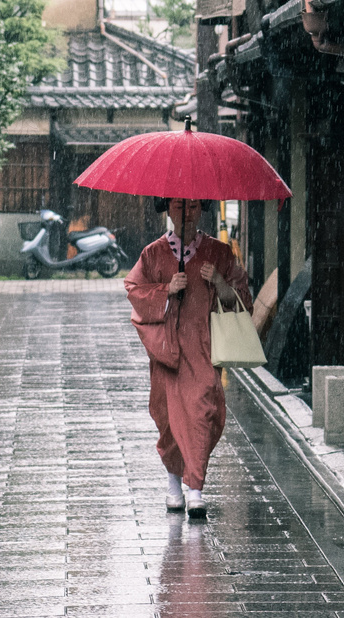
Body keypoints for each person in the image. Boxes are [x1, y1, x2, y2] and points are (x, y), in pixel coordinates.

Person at [124, 197, 252, 518]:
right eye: (179, 206)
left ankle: (195, 487)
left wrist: (220, 283)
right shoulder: (153, 254)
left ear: (202, 208)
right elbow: (134, 289)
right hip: (166, 350)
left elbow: (241, 298)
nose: (186, 213)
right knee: (168, 417)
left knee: (201, 411)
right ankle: (173, 486)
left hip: (202, 347)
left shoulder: (220, 253)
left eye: (193, 206)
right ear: (168, 209)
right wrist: (166, 290)